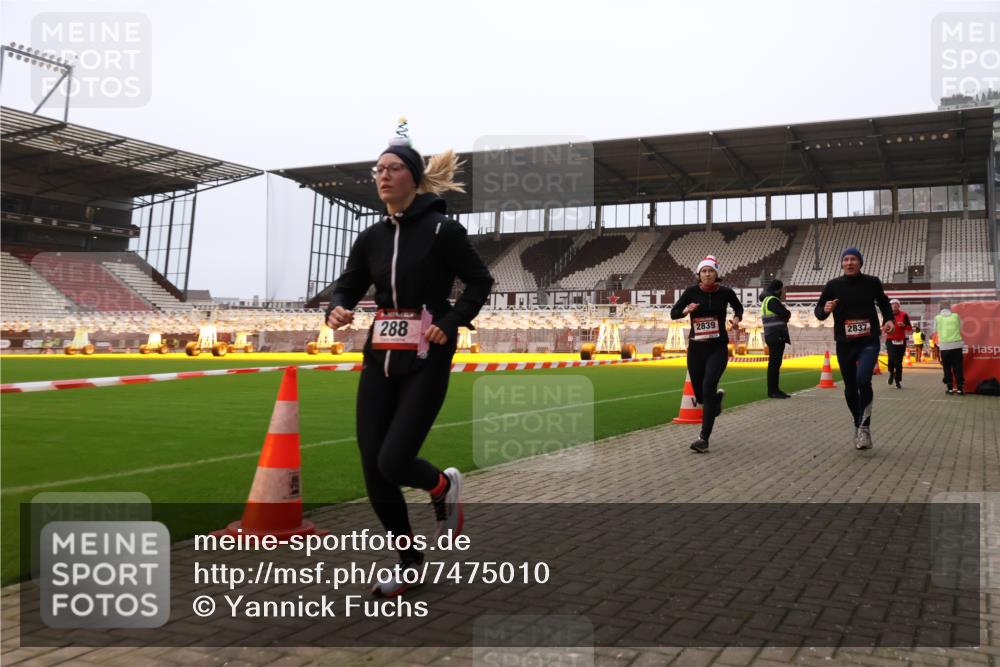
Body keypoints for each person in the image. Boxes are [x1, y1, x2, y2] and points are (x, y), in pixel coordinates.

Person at [325, 128, 495, 596]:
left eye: (392, 168)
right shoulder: (371, 237)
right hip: (379, 356)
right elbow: (348, 285)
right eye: (377, 169)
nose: (382, 175)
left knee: (395, 459)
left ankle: (441, 485)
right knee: (372, 466)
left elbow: (481, 283)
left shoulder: (443, 231)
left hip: (427, 356)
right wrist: (337, 308)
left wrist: (453, 319)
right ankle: (409, 561)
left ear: (414, 178)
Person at [814, 248, 894, 451]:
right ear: (842, 263)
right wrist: (824, 310)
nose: (849, 263)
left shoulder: (872, 282)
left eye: (853, 259)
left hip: (868, 340)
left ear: (860, 263)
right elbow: (819, 312)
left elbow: (884, 302)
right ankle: (858, 423)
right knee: (850, 388)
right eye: (846, 259)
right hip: (845, 342)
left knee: (863, 379)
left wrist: (889, 319)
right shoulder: (833, 285)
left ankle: (865, 427)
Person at [670, 255, 744, 453]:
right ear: (698, 275)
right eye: (704, 271)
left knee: (708, 385)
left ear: (716, 274)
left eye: (711, 271)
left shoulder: (726, 292)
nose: (707, 274)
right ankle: (714, 402)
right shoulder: (691, 292)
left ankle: (703, 438)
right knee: (702, 396)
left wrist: (736, 318)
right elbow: (674, 312)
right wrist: (686, 310)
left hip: (717, 347)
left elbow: (738, 307)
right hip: (696, 348)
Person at [760, 279, 792, 398]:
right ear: (778, 289)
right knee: (775, 364)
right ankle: (773, 391)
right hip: (776, 334)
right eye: (782, 289)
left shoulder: (766, 300)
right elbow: (785, 314)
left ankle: (773, 390)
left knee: (774, 364)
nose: (783, 292)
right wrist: (787, 313)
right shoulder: (772, 300)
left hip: (770, 334)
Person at [934, 301, 965, 395]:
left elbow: (934, 330)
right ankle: (960, 389)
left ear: (940, 309)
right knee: (958, 367)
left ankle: (950, 388)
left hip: (944, 346)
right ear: (950, 308)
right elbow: (961, 327)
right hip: (956, 345)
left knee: (947, 368)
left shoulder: (937, 318)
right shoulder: (956, 316)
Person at [884, 299, 913, 389]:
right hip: (890, 340)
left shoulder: (904, 315)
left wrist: (903, 325)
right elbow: (883, 328)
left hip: (901, 340)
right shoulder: (887, 315)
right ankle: (891, 373)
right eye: (892, 305)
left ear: (899, 306)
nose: (894, 307)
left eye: (896, 305)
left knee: (899, 362)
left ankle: (897, 380)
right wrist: (887, 328)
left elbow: (910, 328)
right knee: (891, 359)